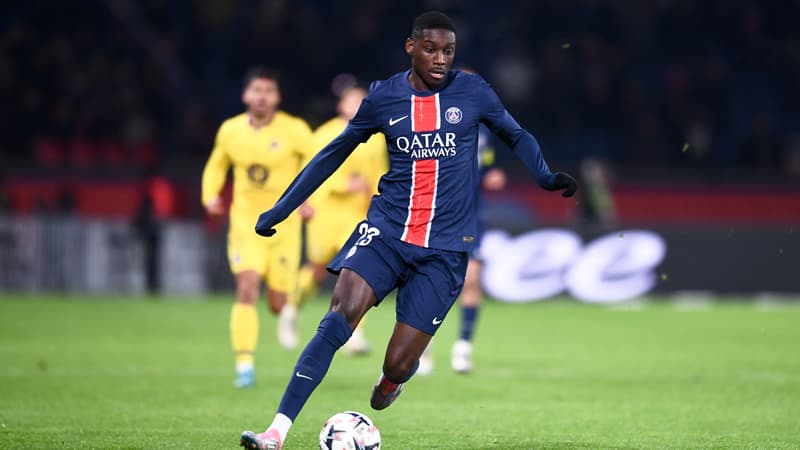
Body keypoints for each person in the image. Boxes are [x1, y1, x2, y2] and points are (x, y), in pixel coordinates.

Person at [240, 11, 577, 450]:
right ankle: (275, 432)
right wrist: (281, 209)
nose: (440, 59)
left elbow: (517, 135)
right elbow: (333, 153)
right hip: (386, 232)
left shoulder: (473, 91)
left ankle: (391, 382)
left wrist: (545, 176)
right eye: (431, 49)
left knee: (398, 364)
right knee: (338, 318)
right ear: (411, 47)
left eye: (448, 51)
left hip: (444, 250)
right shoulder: (384, 97)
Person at [202, 67, 315, 389]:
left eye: (268, 91)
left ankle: (287, 311)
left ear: (277, 97)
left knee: (277, 304)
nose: (262, 97)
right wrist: (210, 196)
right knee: (247, 286)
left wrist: (309, 200)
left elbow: (319, 164)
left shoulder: (295, 130)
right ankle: (244, 365)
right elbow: (216, 166)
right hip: (246, 225)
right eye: (257, 90)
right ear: (245, 95)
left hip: (285, 228)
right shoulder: (230, 130)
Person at [289, 84, 388, 355]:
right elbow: (311, 170)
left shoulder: (377, 137)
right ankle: (292, 309)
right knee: (317, 268)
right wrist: (305, 201)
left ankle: (354, 333)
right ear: (340, 106)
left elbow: (380, 173)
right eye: (351, 101)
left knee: (359, 271)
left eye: (361, 101)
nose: (356, 105)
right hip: (325, 212)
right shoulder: (324, 134)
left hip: (357, 216)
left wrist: (380, 202)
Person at [417, 121, 507, 375]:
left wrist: (492, 174)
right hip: (434, 216)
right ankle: (422, 348)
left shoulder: (483, 131)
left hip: (470, 217)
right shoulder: (432, 123)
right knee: (429, 284)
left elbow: (487, 162)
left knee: (471, 279)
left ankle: (463, 348)